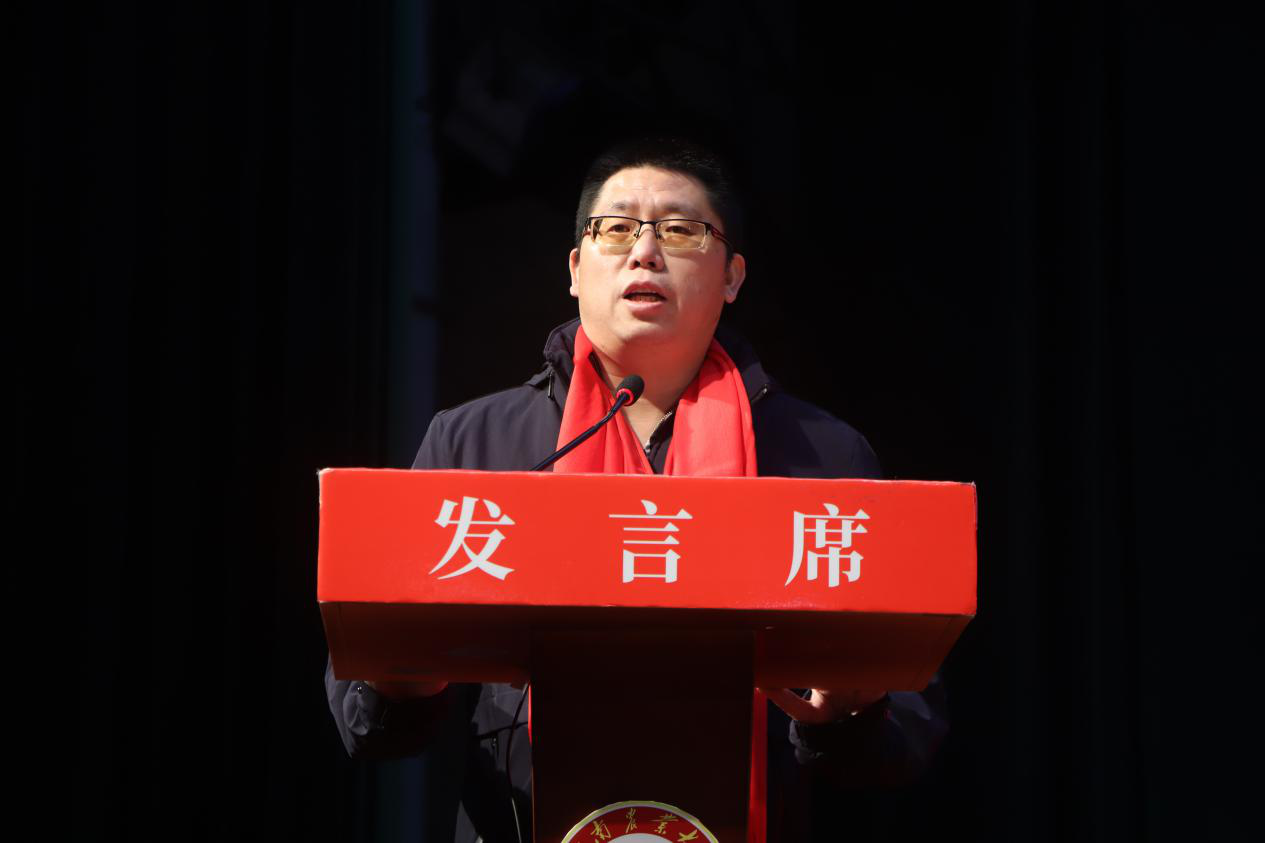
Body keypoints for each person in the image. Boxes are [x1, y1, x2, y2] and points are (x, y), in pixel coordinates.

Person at [325, 138, 948, 842]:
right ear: (575, 269)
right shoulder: (473, 447)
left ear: (732, 276)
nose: (644, 252)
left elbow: (909, 730)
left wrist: (847, 720)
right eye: (616, 228)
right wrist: (401, 685)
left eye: (680, 231)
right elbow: (364, 722)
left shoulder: (822, 457)